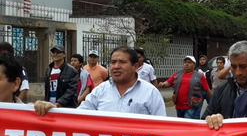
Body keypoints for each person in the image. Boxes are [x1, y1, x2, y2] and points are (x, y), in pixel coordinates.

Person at [35, 47, 166, 116]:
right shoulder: (101, 91)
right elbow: (78, 115)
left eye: (122, 62)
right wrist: (54, 109)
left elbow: (161, 127)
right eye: (113, 62)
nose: (116, 66)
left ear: (135, 66)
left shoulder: (150, 93)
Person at [202, 41, 247, 119]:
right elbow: (204, 120)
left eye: (243, 66)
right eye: (233, 67)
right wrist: (212, 120)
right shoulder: (221, 91)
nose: (238, 73)